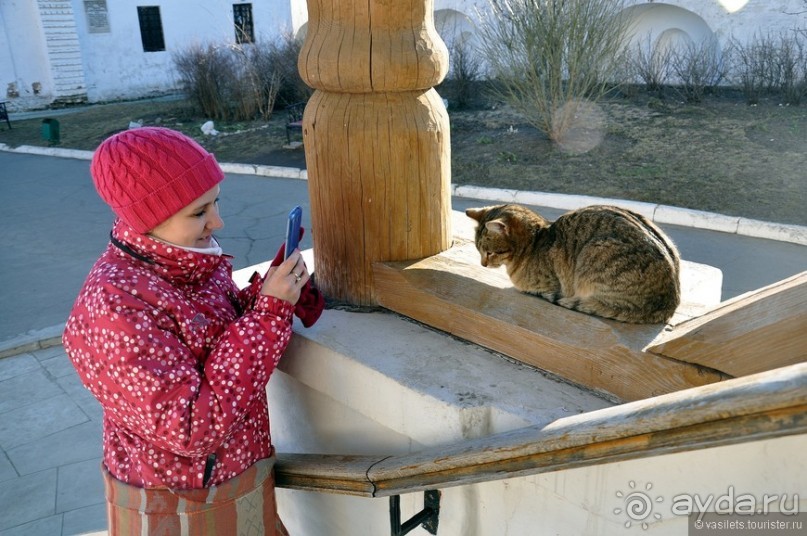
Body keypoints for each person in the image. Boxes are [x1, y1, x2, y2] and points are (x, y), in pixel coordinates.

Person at [62, 127, 323, 535]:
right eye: (198, 212)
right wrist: (269, 315)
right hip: (183, 508)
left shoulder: (184, 261)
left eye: (215, 202)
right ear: (149, 216)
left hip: (233, 482)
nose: (217, 222)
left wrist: (264, 296)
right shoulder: (115, 306)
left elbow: (209, 338)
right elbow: (192, 427)